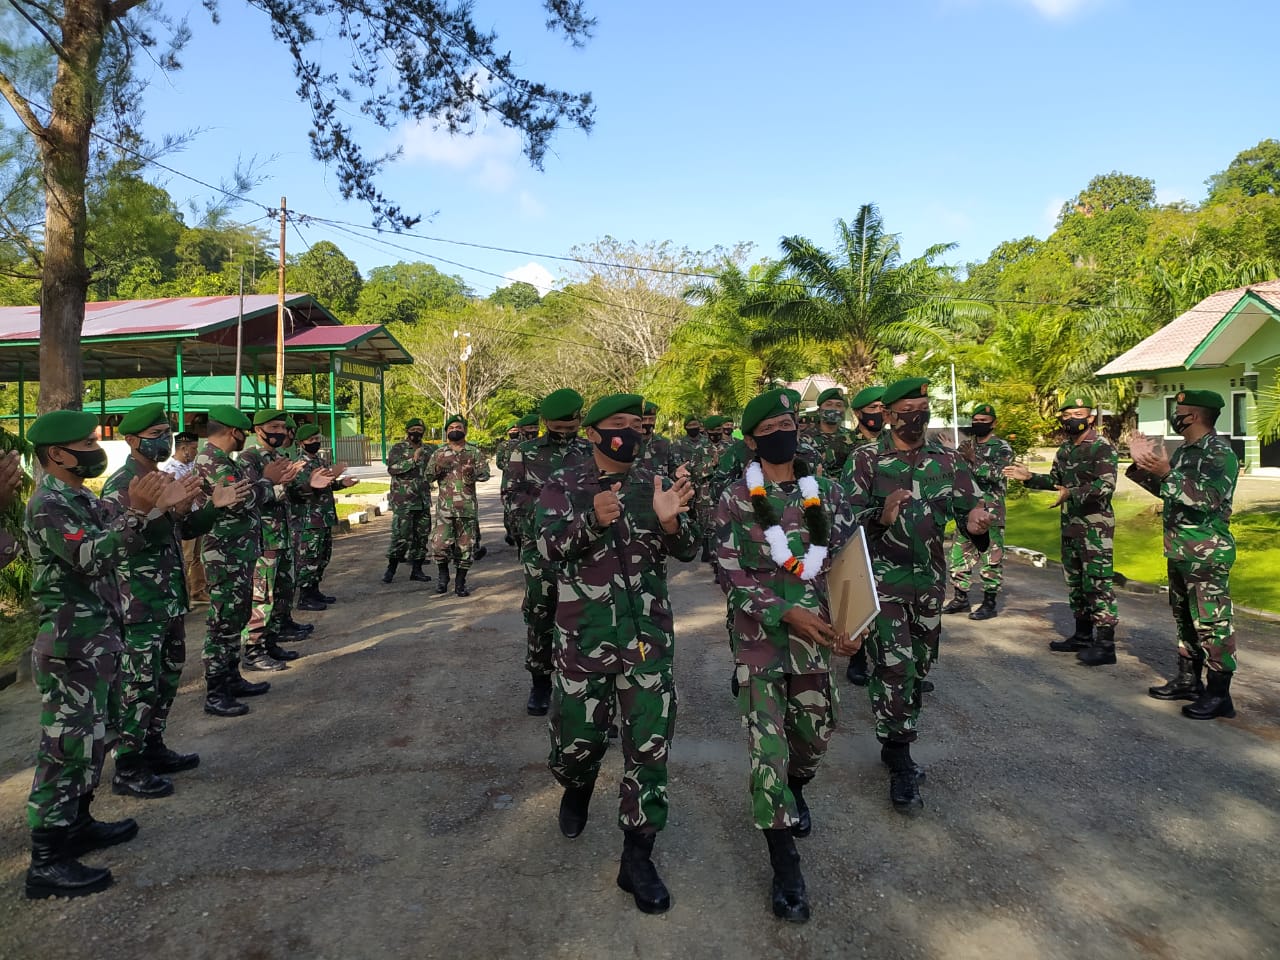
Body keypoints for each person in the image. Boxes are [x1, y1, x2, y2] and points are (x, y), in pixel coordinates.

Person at [23, 410, 194, 899]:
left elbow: (116, 535)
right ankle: (47, 860)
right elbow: (91, 556)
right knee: (64, 749)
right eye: (87, 442)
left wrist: (159, 508)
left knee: (94, 739)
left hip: (98, 635)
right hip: (69, 643)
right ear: (57, 453)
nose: (97, 449)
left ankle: (77, 823)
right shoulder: (47, 504)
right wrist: (140, 512)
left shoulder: (76, 496)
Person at [536, 393, 696, 915]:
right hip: (585, 640)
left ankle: (638, 856)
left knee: (649, 747)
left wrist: (672, 523)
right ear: (593, 433)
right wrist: (591, 523)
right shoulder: (563, 483)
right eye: (618, 424)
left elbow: (690, 548)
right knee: (577, 743)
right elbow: (541, 549)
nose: (630, 432)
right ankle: (576, 786)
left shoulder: (656, 480)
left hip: (647, 641)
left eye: (636, 423)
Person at [715, 388, 859, 923]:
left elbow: (847, 563)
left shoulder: (828, 491)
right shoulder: (735, 499)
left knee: (815, 734)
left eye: (789, 420)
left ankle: (798, 789)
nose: (785, 430)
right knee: (767, 748)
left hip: (816, 637)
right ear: (753, 440)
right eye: (772, 424)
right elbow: (730, 574)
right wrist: (783, 611)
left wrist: (854, 624)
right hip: (759, 638)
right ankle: (784, 863)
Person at [842, 378, 993, 812]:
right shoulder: (865, 460)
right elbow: (843, 521)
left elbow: (970, 512)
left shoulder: (946, 460)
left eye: (924, 407)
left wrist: (977, 526)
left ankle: (897, 732)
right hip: (883, 585)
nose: (918, 415)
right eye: (908, 408)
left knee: (921, 665)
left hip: (928, 584)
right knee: (895, 665)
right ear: (888, 415)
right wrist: (881, 515)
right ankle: (900, 753)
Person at [101, 403, 247, 800]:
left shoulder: (162, 477)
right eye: (155, 433)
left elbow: (183, 531)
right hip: (139, 604)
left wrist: (211, 507)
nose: (164, 439)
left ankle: (154, 746)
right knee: (138, 685)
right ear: (131, 440)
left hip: (169, 599)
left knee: (166, 678)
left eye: (166, 431)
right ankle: (128, 765)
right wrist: (151, 510)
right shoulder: (123, 485)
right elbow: (119, 542)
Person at [1127, 390, 1240, 720]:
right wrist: (1144, 465)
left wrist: (1166, 472)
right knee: (1185, 618)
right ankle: (1189, 680)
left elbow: (1208, 499)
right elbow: (1172, 494)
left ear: (1193, 417)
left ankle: (1219, 694)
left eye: (1179, 411)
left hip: (1207, 552)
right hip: (1180, 549)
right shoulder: (1187, 452)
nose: (1175, 416)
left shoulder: (1220, 453)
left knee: (1212, 622)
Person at [192, 405, 294, 716]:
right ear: (234, 432)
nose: (244, 439)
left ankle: (231, 677)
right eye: (243, 433)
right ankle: (216, 691)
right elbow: (241, 500)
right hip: (225, 552)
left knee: (235, 617)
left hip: (237, 550)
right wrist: (266, 481)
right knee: (223, 621)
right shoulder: (215, 462)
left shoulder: (221, 460)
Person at [1004, 396, 1119, 666]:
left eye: (1078, 413)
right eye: (1066, 415)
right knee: (1076, 582)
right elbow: (1056, 482)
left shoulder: (1101, 448)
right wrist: (1031, 478)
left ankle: (1105, 644)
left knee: (1098, 582)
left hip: (1096, 528)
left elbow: (1106, 486)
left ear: (1090, 418)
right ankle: (1082, 636)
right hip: (1070, 526)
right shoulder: (1066, 450)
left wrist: (1072, 493)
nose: (1071, 419)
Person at [505, 389, 593, 715]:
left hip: (585, 549)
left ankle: (587, 685)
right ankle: (540, 682)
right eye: (558, 427)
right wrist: (545, 525)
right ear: (545, 423)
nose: (565, 433)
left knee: (588, 617)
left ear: (579, 421)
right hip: (540, 551)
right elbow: (513, 499)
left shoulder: (590, 450)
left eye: (570, 427)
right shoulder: (524, 453)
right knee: (541, 615)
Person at [238, 410, 315, 670]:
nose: (280, 432)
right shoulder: (248, 458)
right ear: (258, 429)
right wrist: (278, 486)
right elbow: (249, 496)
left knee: (282, 590)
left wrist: (308, 484)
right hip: (263, 538)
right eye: (273, 426)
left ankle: (270, 641)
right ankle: (253, 650)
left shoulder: (279, 457)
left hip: (282, 535)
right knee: (262, 595)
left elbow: (292, 493)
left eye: (283, 427)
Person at [942, 403, 1014, 620]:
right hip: (966, 509)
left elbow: (999, 474)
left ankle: (989, 602)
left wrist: (974, 459)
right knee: (958, 555)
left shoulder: (1002, 447)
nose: (978, 424)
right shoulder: (966, 445)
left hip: (990, 511)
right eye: (976, 420)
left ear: (994, 423)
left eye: (984, 421)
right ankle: (960, 597)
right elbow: (957, 471)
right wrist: (952, 453)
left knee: (991, 557)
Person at [426, 415, 490, 597]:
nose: (455, 429)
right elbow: (427, 477)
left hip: (467, 509)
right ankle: (443, 577)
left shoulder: (474, 452)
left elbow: (485, 474)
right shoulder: (438, 454)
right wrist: (437, 467)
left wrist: (473, 472)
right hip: (444, 509)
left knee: (465, 547)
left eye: (459, 427)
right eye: (451, 426)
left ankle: (460, 582)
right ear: (446, 432)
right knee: (439, 545)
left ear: (465, 431)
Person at [292, 424, 355, 605]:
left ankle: (315, 590)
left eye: (318, 439)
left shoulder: (319, 461)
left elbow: (327, 485)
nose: (316, 443)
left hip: (324, 517)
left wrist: (342, 483)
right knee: (309, 558)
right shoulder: (301, 465)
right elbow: (300, 489)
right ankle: (305, 596)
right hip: (310, 519)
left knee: (322, 557)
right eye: (311, 440)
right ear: (301, 443)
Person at [383, 418, 435, 584]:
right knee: (401, 536)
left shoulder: (428, 449)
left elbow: (434, 469)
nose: (417, 432)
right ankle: (391, 569)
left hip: (423, 500)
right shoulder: (398, 448)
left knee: (421, 536)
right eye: (413, 428)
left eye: (420, 429)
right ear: (407, 430)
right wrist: (412, 460)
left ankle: (417, 569)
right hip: (404, 501)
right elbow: (392, 469)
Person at [163, 432, 208, 602]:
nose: (196, 452)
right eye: (194, 448)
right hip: (182, 518)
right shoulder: (171, 471)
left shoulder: (190, 467)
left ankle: (198, 589)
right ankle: (183, 595)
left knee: (196, 557)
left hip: (195, 514)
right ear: (184, 449)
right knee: (186, 558)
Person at [500, 413, 540, 547]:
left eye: (535, 427)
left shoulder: (543, 445)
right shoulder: (513, 446)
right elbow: (502, 465)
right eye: (530, 428)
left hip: (539, 493)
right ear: (522, 429)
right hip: (517, 487)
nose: (533, 431)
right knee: (515, 521)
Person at [809, 387, 860, 478]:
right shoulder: (806, 438)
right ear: (819, 411)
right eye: (829, 405)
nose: (834, 409)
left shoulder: (851, 436)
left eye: (839, 405)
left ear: (843, 411)